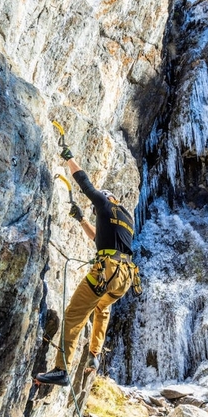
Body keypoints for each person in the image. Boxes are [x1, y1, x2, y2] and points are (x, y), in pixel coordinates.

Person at [35, 142, 137, 386]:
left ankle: (62, 370)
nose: (95, 207)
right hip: (125, 277)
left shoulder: (105, 203)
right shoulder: (127, 219)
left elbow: (85, 184)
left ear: (109, 197)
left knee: (74, 314)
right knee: (101, 307)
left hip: (107, 272)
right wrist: (81, 219)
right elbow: (99, 239)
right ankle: (94, 355)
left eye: (97, 204)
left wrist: (69, 158)